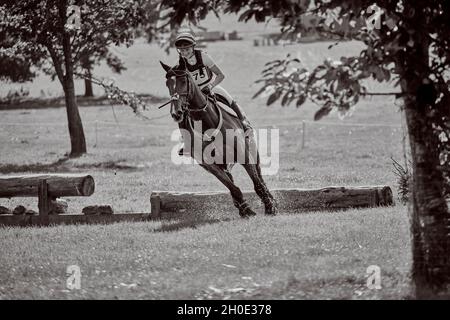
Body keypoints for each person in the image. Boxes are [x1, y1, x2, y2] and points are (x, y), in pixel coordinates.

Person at [173, 28, 252, 156]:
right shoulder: (180, 64)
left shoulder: (203, 57)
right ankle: (186, 141)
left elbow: (221, 75)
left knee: (229, 98)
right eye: (182, 50)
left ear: (193, 48)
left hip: (209, 86)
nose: (185, 53)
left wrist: (210, 86)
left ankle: (244, 124)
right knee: (182, 112)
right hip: (194, 93)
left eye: (187, 49)